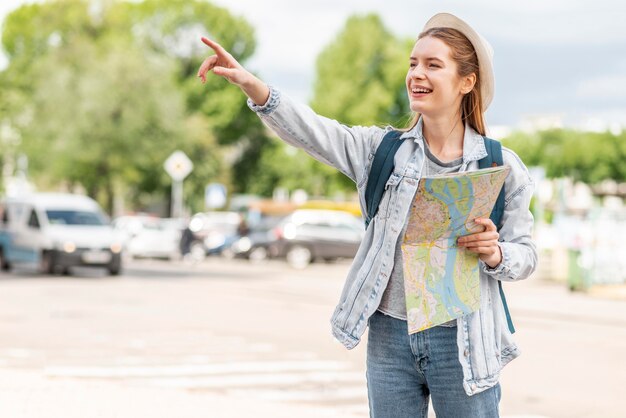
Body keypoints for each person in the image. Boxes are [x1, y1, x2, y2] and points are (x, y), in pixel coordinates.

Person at [197, 12, 537, 418]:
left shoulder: (501, 166)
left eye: (432, 64)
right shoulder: (383, 152)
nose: (416, 74)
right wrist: (254, 87)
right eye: (413, 63)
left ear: (467, 82)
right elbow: (316, 133)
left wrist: (496, 253)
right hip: (391, 337)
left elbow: (526, 254)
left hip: (463, 340)